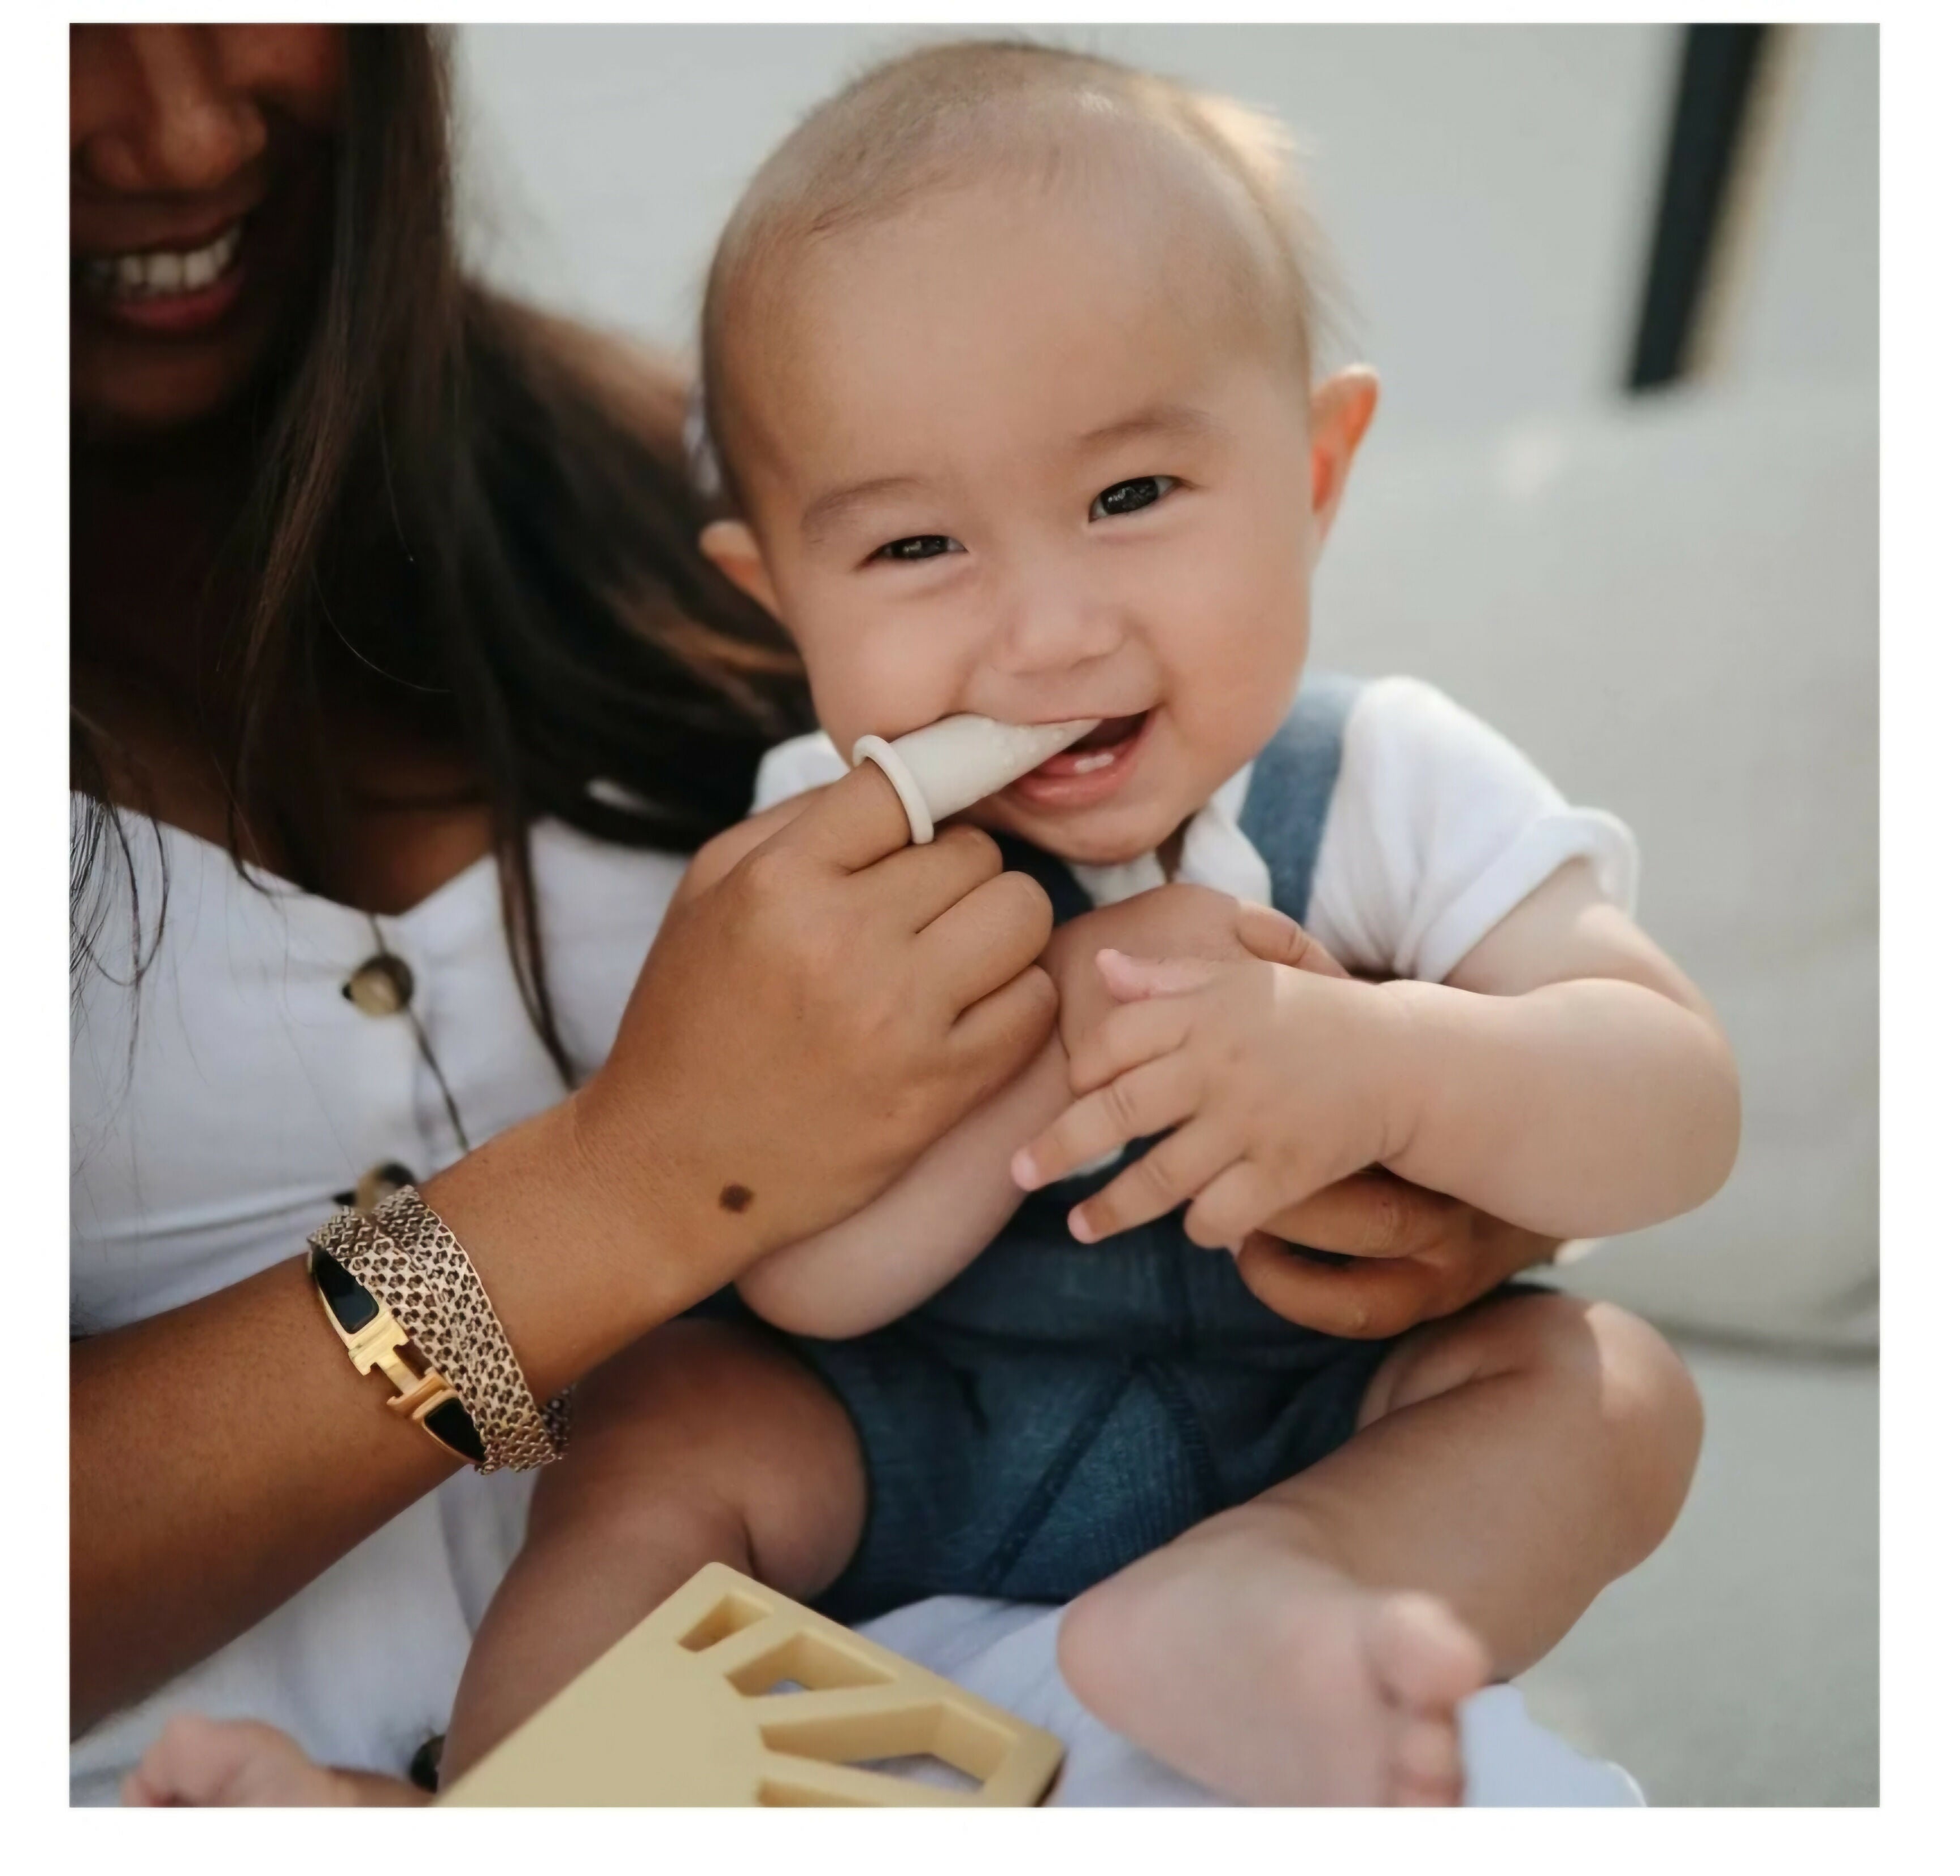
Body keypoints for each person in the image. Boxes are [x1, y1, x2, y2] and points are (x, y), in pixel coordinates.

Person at [75, 25, 1550, 1806]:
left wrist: (1446, 1158)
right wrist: (629, 1188)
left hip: (913, 1699)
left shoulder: (690, 476)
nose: (173, 121)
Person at [420, 41, 1721, 1807]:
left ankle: (1265, 1609)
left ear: (1319, 472)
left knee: (1611, 1388)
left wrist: (1386, 1062)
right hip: (899, 1441)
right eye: (912, 551)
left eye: (1129, 499)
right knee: (664, 1423)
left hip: (1303, 1441)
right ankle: (521, 1780)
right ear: (777, 593)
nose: (1043, 632)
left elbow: (1672, 1108)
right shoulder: (824, 850)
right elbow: (804, 1269)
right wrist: (1060, 1004)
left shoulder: (1390, 777)